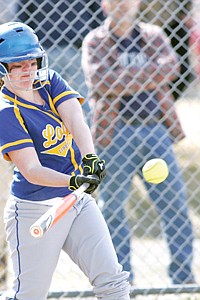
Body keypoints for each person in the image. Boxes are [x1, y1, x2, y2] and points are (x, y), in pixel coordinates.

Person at [0, 22, 131, 299]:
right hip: (34, 207)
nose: (27, 70)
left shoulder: (49, 81)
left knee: (113, 282)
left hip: (76, 202)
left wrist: (89, 158)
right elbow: (31, 170)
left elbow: (75, 119)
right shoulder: (5, 111)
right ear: (0, 68)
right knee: (29, 295)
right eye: (16, 65)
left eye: (31, 61)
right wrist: (74, 180)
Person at [82, 0, 195, 285]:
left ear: (138, 4)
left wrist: (122, 78)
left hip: (156, 131)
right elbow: (99, 81)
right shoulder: (95, 40)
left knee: (175, 206)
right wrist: (148, 77)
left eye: (128, 0)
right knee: (113, 209)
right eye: (115, 1)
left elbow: (170, 68)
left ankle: (182, 278)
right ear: (105, 5)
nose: (122, 5)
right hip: (115, 133)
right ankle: (122, 281)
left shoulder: (154, 35)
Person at [140, 0, 195, 101]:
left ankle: (164, 106)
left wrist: (185, 11)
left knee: (183, 71)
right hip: (143, 21)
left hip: (171, 19)